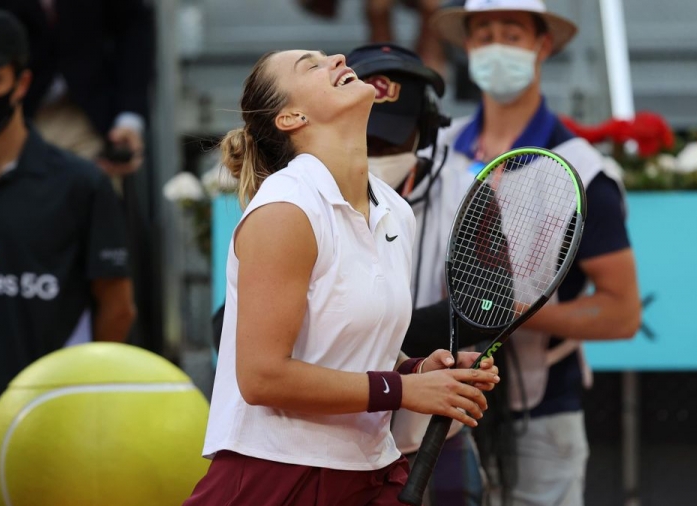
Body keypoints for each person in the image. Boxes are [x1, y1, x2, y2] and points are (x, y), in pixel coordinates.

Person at [183, 49, 501, 506]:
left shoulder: (394, 209)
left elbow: (344, 358)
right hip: (273, 477)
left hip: (369, 472)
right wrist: (404, 390)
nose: (335, 57)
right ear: (290, 116)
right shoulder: (285, 210)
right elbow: (262, 378)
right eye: (310, 65)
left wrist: (417, 370)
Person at [427, 1, 643, 504]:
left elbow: (622, 312)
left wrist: (519, 317)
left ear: (543, 45)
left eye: (512, 33)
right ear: (467, 46)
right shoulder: (435, 149)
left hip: (541, 412)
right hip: (434, 405)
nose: (496, 46)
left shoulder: (585, 172)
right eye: (483, 34)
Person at [0, 8, 136, 505]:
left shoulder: (81, 183)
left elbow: (117, 309)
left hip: (45, 437)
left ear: (21, 82)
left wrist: (71, 405)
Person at [346, 43, 485, 506]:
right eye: (364, 138)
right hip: (338, 436)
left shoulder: (467, 190)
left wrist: (353, 334)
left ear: (425, 131)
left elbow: (486, 306)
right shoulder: (300, 195)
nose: (375, 152)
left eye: (389, 139)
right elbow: (230, 327)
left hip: (431, 431)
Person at [0, 0, 154, 177]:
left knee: (91, 196)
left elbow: (133, 23)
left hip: (82, 114)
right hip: (1, 115)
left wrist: (129, 117)